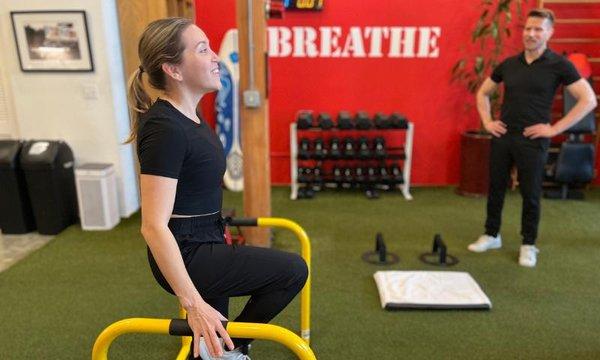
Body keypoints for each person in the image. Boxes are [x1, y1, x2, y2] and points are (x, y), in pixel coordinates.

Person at [125, 18, 308, 359]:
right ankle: (230, 347)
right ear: (173, 70)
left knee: (208, 337)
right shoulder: (165, 127)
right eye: (203, 49)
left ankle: (217, 350)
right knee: (291, 271)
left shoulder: (190, 116)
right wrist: (192, 303)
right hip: (190, 251)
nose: (215, 58)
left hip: (209, 237)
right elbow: (153, 224)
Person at [469, 8, 597, 267]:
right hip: (504, 135)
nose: (531, 34)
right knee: (495, 188)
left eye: (538, 29)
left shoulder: (559, 65)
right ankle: (491, 234)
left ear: (549, 33)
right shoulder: (509, 64)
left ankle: (528, 244)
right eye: (528, 29)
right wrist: (487, 121)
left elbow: (589, 100)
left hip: (533, 140)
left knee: (531, 193)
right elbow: (483, 93)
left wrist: (555, 129)